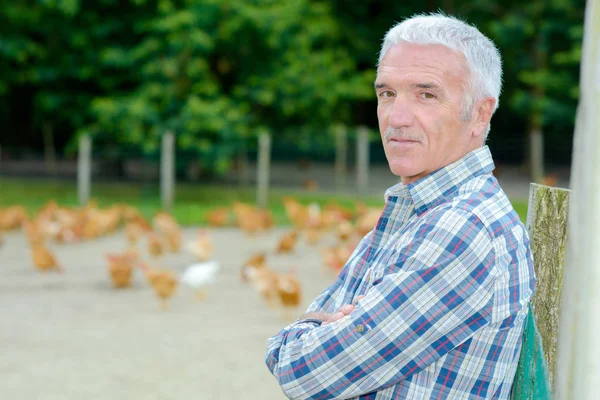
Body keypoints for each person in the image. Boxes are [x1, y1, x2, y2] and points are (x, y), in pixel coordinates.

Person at [265, 13, 535, 400]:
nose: (396, 117)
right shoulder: (420, 208)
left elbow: (302, 374)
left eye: (426, 94)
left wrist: (308, 330)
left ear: (480, 114)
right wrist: (325, 328)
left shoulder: (462, 229)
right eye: (387, 93)